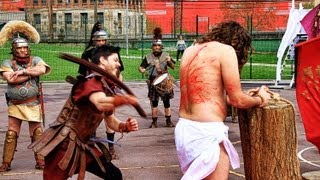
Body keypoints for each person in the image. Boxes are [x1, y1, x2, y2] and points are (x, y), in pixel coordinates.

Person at [175, 20, 273, 180]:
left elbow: (206, 97)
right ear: (236, 42)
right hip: (207, 132)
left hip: (185, 130)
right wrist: (261, 98)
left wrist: (247, 96)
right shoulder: (225, 50)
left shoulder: (190, 50)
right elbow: (237, 101)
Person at [29, 45, 140, 180]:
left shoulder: (107, 89)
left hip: (84, 146)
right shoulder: (89, 83)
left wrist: (124, 126)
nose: (119, 64)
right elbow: (100, 102)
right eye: (115, 60)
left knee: (114, 175)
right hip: (64, 146)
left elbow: (111, 121)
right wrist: (124, 99)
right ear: (103, 61)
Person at [0, 20, 51, 172]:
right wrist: (31, 74)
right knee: (11, 133)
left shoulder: (36, 60)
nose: (23, 50)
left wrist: (23, 72)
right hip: (15, 104)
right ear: (14, 49)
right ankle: (6, 162)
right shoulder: (7, 62)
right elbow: (10, 78)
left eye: (25, 47)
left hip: (32, 103)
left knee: (37, 132)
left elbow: (41, 69)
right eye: (19, 48)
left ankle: (40, 160)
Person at [78, 22, 124, 159]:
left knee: (110, 118)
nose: (101, 42)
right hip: (93, 91)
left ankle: (111, 149)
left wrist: (118, 86)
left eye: (103, 40)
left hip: (109, 90)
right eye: (99, 40)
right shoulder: (87, 54)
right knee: (92, 120)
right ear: (94, 41)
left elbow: (119, 72)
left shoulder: (112, 53)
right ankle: (91, 149)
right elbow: (81, 74)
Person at [138, 27, 175, 128]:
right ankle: (154, 122)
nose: (156, 47)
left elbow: (173, 66)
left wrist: (169, 60)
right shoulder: (148, 57)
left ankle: (168, 121)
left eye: (158, 45)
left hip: (165, 82)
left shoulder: (166, 55)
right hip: (153, 82)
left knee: (167, 103)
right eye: (155, 45)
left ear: (161, 46)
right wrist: (141, 70)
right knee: (154, 103)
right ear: (152, 47)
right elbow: (141, 67)